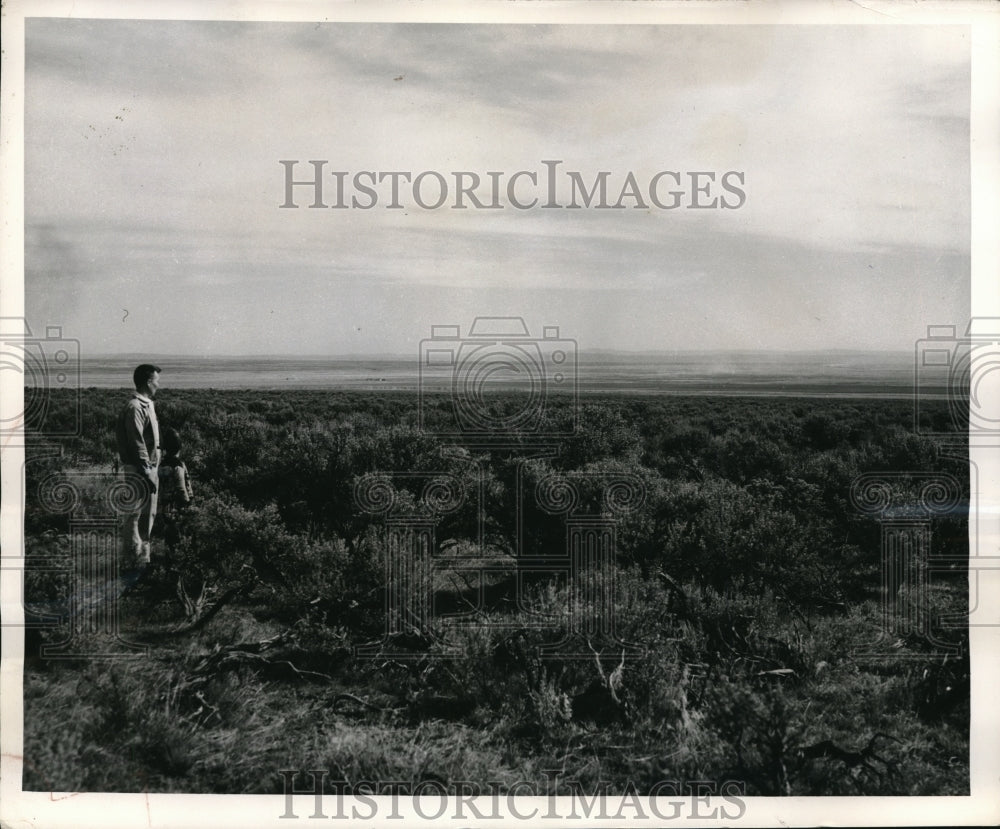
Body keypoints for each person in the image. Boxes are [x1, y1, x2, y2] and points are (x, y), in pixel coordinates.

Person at [116, 363, 161, 569]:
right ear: (147, 382)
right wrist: (147, 470)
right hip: (140, 470)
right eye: (156, 381)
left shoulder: (147, 404)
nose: (158, 385)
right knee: (134, 515)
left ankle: (142, 560)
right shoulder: (135, 407)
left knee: (147, 515)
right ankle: (131, 560)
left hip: (149, 469)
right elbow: (137, 442)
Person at [157, 426, 194, 556]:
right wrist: (187, 502)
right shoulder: (178, 465)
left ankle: (170, 555)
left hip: (164, 505)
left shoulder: (161, 465)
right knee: (178, 532)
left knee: (169, 533)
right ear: (179, 446)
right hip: (176, 505)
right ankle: (177, 558)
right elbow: (181, 487)